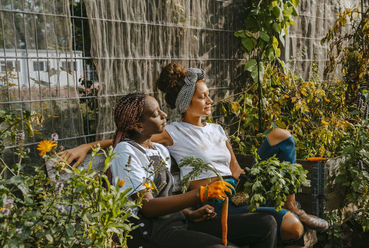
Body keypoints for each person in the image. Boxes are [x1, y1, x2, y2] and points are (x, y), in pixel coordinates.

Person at [59, 63, 328, 237]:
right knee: (292, 228)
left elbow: (235, 169)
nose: (210, 100)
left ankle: (292, 205)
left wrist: (258, 184)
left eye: (208, 95)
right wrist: (87, 145)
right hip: (213, 202)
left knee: (281, 136)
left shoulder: (217, 130)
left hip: (240, 191)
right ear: (186, 103)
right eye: (203, 96)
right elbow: (132, 136)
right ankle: (283, 216)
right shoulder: (173, 132)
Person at [108, 92, 278, 248]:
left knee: (266, 224)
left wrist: (189, 214)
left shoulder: (159, 149)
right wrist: (201, 194)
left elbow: (164, 196)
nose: (164, 115)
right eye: (155, 114)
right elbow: (148, 207)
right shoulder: (125, 152)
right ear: (138, 125)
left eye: (161, 110)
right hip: (152, 236)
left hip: (178, 224)